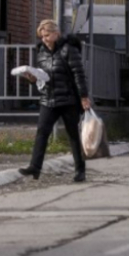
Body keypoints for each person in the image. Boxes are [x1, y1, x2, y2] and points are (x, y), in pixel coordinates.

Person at [19, 19, 91, 182]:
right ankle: (34, 168)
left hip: (68, 100)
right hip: (48, 99)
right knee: (42, 133)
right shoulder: (41, 52)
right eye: (42, 36)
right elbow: (42, 77)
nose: (44, 39)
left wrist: (84, 97)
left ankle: (80, 170)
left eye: (47, 35)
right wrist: (32, 78)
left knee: (73, 135)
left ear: (56, 33)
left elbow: (79, 75)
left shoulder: (69, 50)